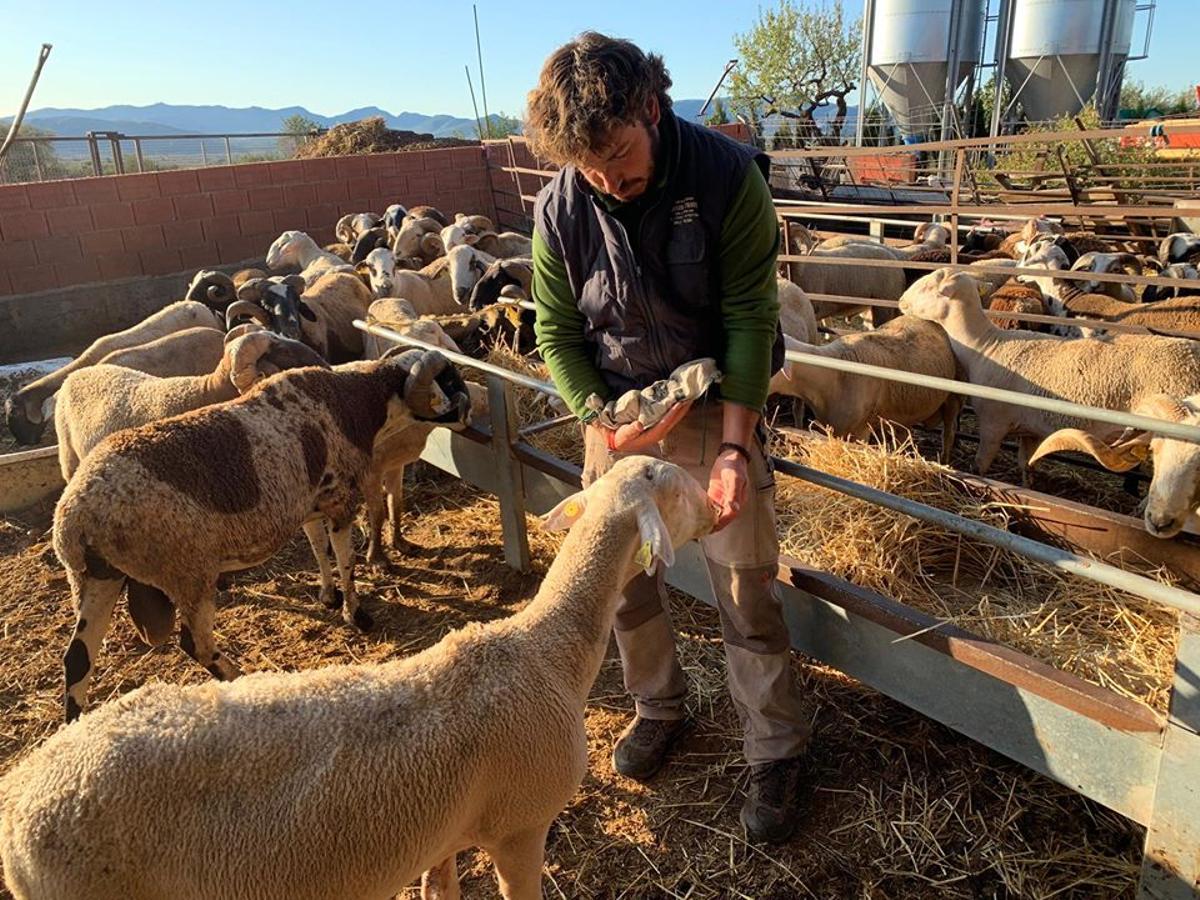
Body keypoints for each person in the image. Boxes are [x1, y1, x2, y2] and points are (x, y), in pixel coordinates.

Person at [525, 32, 810, 844]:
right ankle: (658, 706)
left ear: (652, 107)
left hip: (714, 409)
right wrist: (596, 416)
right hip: (615, 423)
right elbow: (556, 328)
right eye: (589, 168)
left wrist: (730, 447)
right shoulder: (561, 209)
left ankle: (776, 748)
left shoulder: (726, 179)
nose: (609, 181)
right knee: (621, 583)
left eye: (617, 153)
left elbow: (753, 316)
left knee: (745, 584)